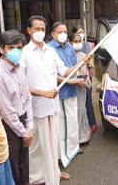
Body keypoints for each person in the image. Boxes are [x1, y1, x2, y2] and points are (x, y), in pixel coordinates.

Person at [22, 16, 88, 184]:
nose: (39, 32)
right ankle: (35, 177)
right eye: (36, 29)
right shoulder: (24, 54)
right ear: (29, 30)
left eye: (42, 29)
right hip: (36, 107)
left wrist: (81, 63)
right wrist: (42, 93)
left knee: (52, 143)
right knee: (37, 146)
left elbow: (65, 71)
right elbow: (20, 85)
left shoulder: (50, 51)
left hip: (52, 106)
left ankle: (53, 174)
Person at [0, 30, 34, 185]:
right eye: (11, 48)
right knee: (14, 166)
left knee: (24, 164)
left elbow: (27, 97)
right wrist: (24, 134)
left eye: (19, 48)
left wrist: (30, 127)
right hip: (8, 126)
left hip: (23, 122)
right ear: (1, 49)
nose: (16, 52)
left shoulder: (20, 67)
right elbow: (7, 111)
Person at [48, 22, 90, 168]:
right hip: (60, 91)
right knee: (60, 124)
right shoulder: (50, 49)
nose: (63, 34)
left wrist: (77, 77)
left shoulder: (70, 48)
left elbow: (74, 67)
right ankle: (60, 154)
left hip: (72, 89)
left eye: (65, 31)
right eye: (60, 31)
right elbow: (51, 74)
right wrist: (68, 80)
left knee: (72, 121)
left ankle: (73, 148)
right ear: (53, 34)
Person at [72, 25, 97, 132]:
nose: (81, 34)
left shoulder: (89, 45)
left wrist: (90, 63)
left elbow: (91, 61)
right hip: (76, 80)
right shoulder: (70, 51)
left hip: (86, 78)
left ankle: (91, 124)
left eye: (82, 32)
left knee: (88, 101)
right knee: (79, 106)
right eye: (79, 32)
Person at [70, 34, 91, 143]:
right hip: (72, 87)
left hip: (82, 88)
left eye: (79, 41)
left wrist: (86, 79)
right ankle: (75, 139)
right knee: (75, 112)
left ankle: (83, 136)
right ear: (70, 43)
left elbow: (85, 71)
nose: (77, 43)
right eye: (75, 41)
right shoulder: (69, 56)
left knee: (82, 111)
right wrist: (77, 78)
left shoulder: (84, 56)